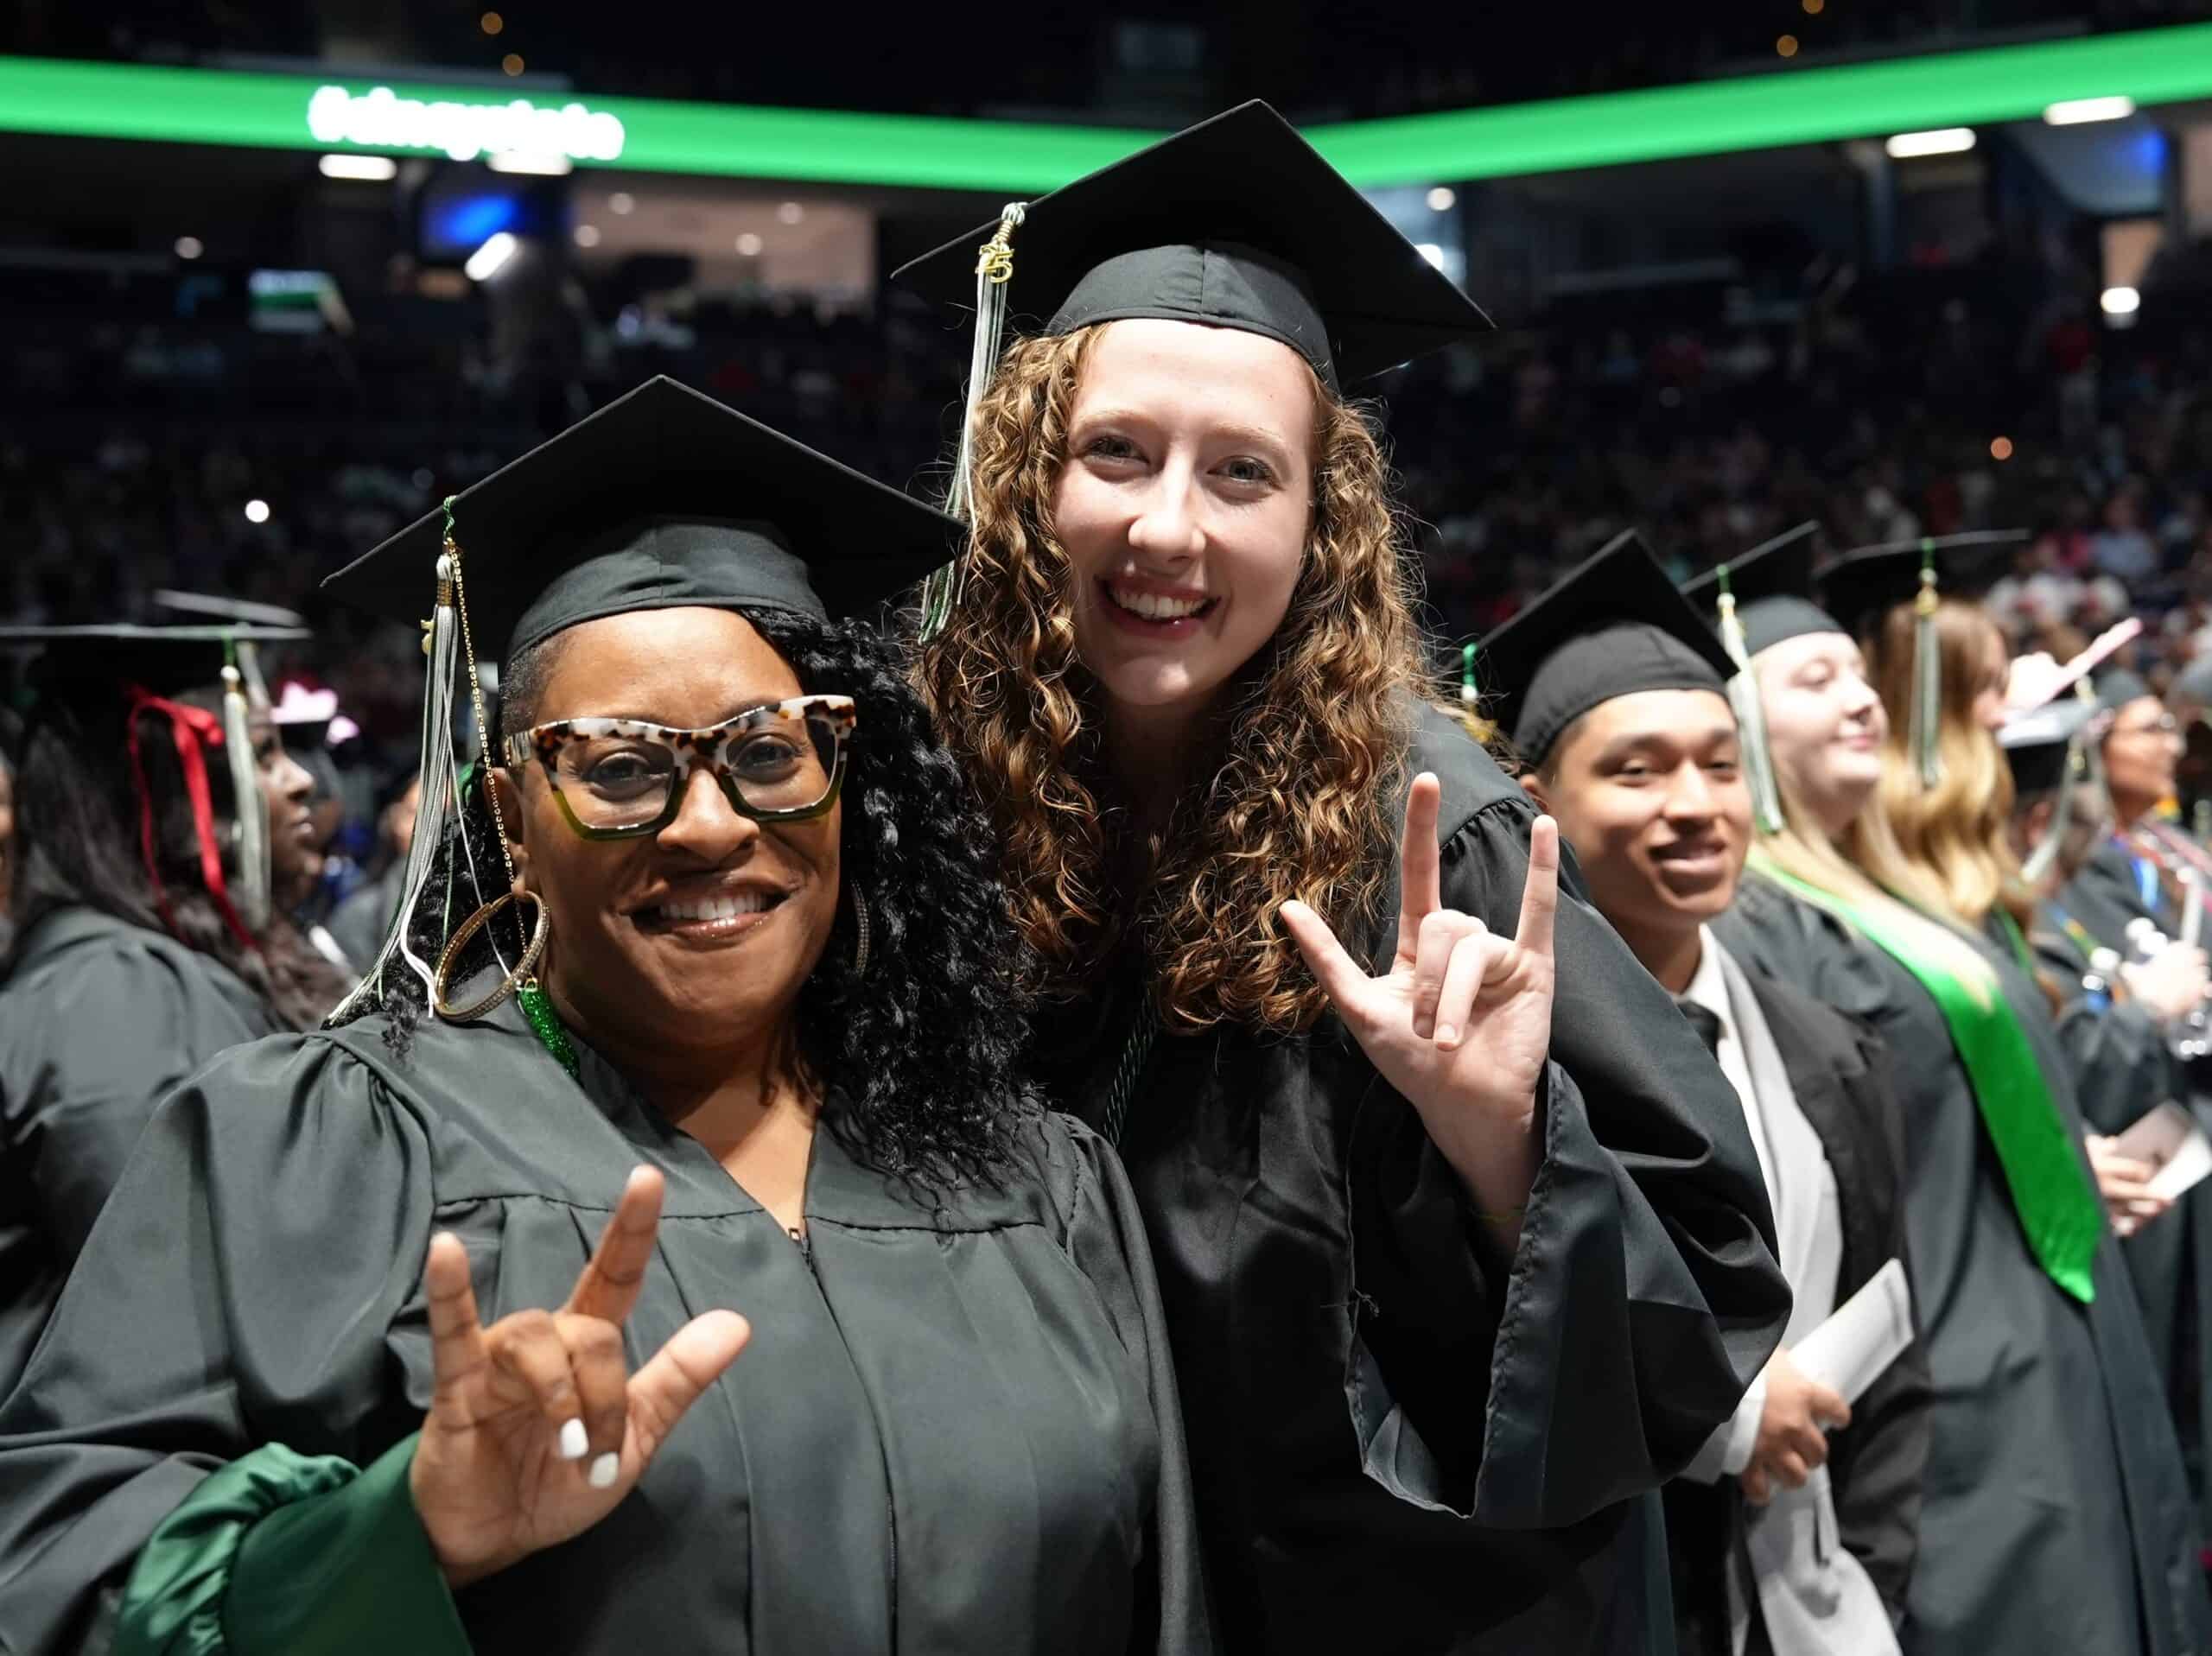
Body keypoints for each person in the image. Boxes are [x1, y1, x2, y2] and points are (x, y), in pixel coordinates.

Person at [0, 378, 1208, 1656]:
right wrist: (392, 1535)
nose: (708, 824)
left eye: (768, 749)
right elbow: (62, 1578)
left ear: (848, 783)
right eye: (622, 766)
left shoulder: (1029, 1173)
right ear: (513, 820)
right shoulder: (325, 1149)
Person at [900, 102, 1789, 1653]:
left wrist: (1503, 1138)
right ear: (1023, 475)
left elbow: (1694, 1314)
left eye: (1243, 472)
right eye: (1115, 452)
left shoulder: (1429, 829)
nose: (1168, 526)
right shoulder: (945, 808)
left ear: (1321, 528)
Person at [1703, 536, 2209, 1656]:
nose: (1861, 701)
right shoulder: (1753, 926)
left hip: (2049, 1354)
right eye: (1813, 678)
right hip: (1953, 1407)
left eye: (1857, 674)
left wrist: (2063, 1160)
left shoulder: (1892, 901)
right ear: (1733, 720)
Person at [1497, 534, 1926, 1656]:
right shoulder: (1502, 1066)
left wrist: (1872, 1578)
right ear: (1537, 806)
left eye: (1722, 763)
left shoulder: (1833, 1051)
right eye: (1635, 770)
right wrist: (1726, 1417)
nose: (1695, 805)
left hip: (1816, 1601)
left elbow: (1894, 1362)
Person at [0, 620, 349, 1399]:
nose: (300, 782)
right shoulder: (117, 995)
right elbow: (189, 1302)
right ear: (157, 782)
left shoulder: (150, 971)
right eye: (259, 754)